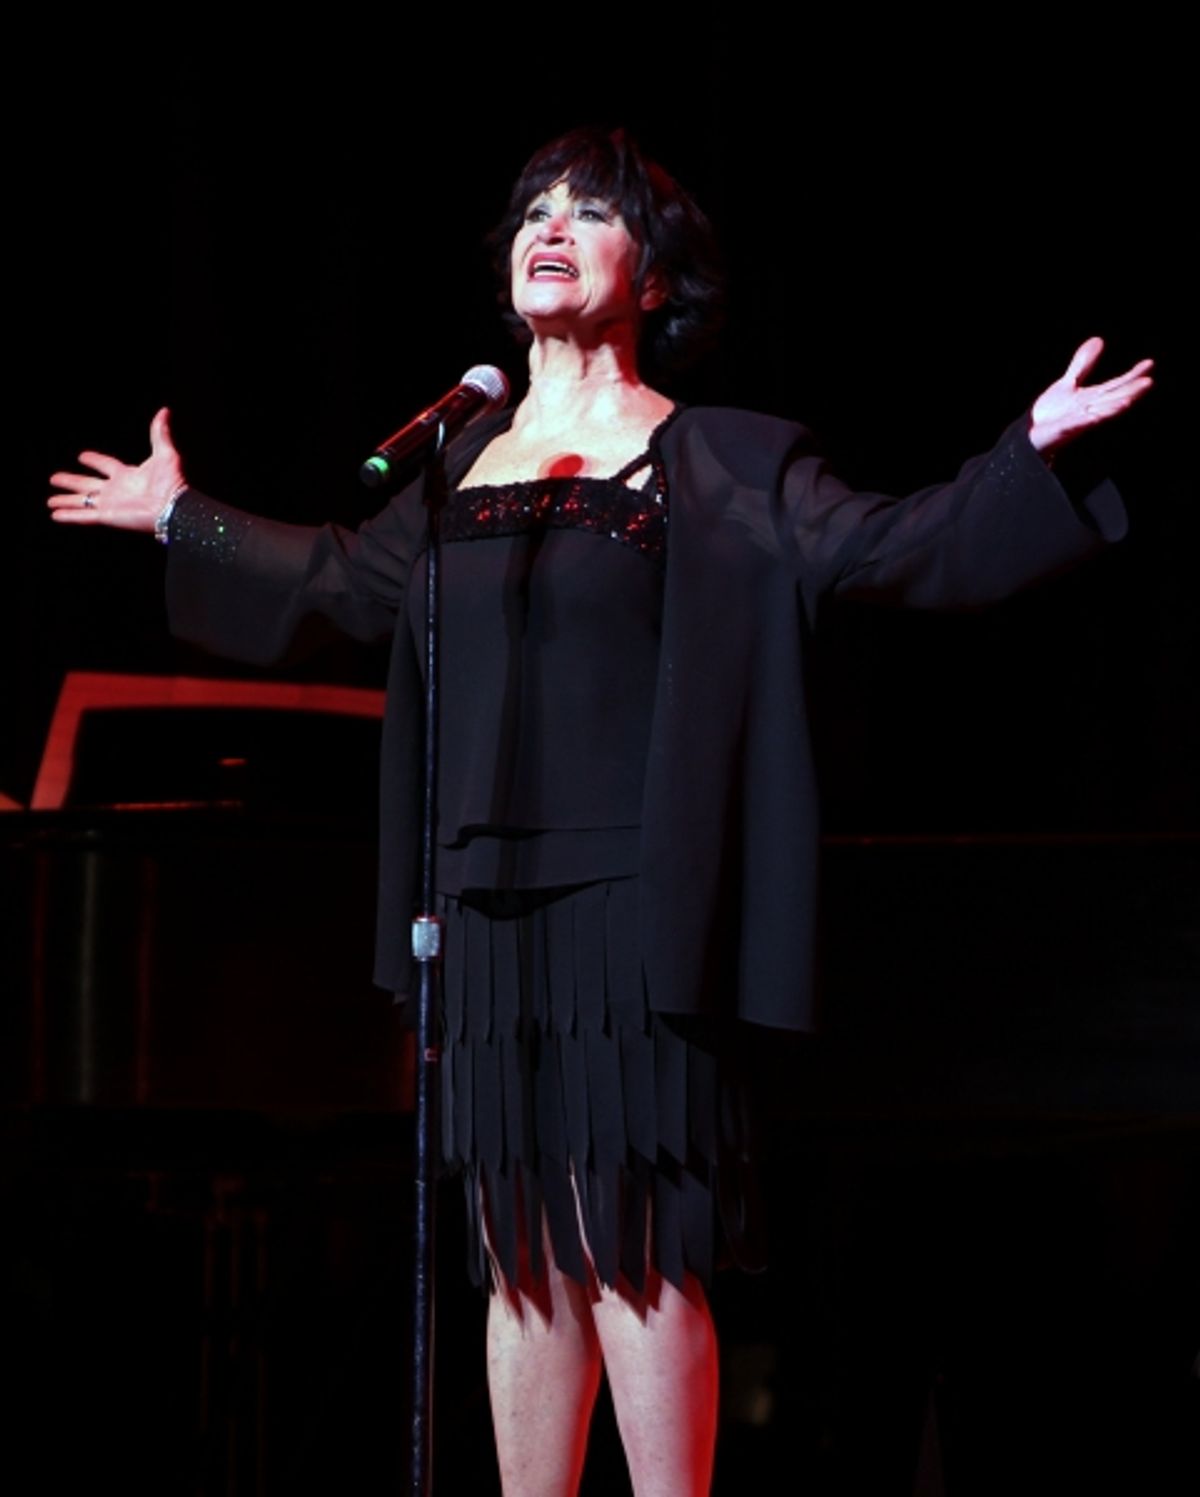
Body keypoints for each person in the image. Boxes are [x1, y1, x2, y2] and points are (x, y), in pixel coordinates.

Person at [48, 126, 1152, 1497]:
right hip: (484, 902)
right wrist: (183, 520)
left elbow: (888, 546)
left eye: (590, 211)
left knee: (628, 1238)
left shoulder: (721, 462)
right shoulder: (459, 462)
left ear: (657, 275)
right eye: (531, 211)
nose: (549, 228)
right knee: (521, 1249)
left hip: (639, 903)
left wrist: (1024, 455)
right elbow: (336, 581)